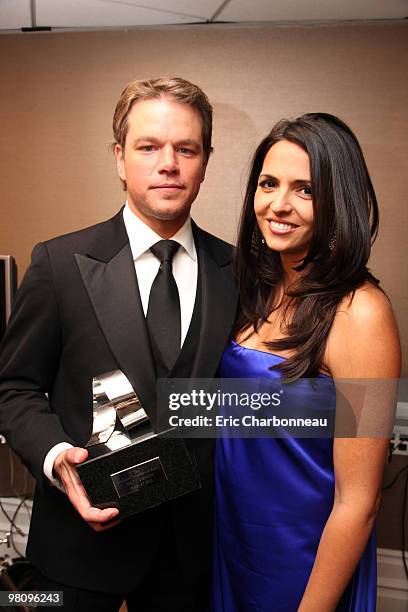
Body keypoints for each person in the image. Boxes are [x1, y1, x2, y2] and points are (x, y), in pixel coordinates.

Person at [0, 77, 238, 611]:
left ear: (205, 161)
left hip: (193, 555)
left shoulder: (241, 273)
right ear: (119, 157)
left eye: (186, 148)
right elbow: (13, 387)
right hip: (78, 548)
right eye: (149, 146)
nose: (168, 163)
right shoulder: (59, 265)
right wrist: (58, 458)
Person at [211, 113, 401, 611]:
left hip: (303, 564)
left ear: (337, 201)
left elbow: (359, 503)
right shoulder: (253, 288)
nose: (278, 205)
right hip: (231, 545)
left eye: (305, 190)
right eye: (268, 183)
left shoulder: (362, 315)